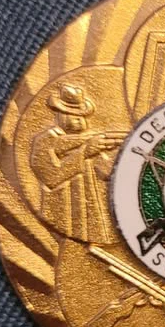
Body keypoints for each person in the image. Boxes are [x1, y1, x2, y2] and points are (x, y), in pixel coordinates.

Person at [30, 83, 121, 243]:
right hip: (63, 215)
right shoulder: (44, 141)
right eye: (74, 115)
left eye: (82, 116)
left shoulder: (88, 140)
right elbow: (51, 177)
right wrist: (85, 152)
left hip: (90, 213)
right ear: (61, 115)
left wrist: (117, 152)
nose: (80, 120)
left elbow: (105, 173)